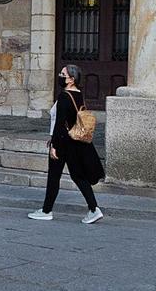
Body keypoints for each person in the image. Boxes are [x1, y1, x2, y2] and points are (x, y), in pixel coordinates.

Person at [28, 64, 105, 224]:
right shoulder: (78, 95)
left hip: (63, 142)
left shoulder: (64, 96)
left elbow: (60, 123)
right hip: (74, 142)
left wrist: (54, 145)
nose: (60, 76)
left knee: (54, 176)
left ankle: (46, 210)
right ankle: (94, 208)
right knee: (78, 176)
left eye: (63, 74)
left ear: (71, 79)